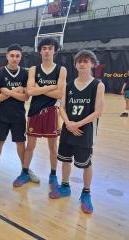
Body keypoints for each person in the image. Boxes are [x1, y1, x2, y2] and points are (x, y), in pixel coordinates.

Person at [49, 50, 105, 214]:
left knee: (86, 163)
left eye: (86, 61)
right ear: (75, 64)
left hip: (85, 131)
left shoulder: (98, 85)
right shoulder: (69, 85)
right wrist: (68, 123)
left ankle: (86, 193)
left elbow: (98, 112)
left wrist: (77, 124)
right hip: (68, 129)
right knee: (65, 160)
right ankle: (65, 186)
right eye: (79, 61)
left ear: (92, 64)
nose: (82, 64)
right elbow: (62, 107)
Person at [21, 37, 66, 188]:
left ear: (55, 50)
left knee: (53, 147)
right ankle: (25, 172)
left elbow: (60, 94)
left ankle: (53, 175)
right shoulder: (34, 69)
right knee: (30, 146)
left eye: (50, 48)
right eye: (44, 48)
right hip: (34, 111)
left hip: (52, 112)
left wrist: (40, 88)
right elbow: (30, 91)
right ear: (40, 51)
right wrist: (50, 87)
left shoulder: (61, 70)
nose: (47, 51)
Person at [0, 44, 29, 185]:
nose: (15, 58)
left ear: (21, 57)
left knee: (20, 143)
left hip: (18, 115)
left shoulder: (24, 73)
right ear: (7, 56)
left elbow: (26, 97)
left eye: (17, 56)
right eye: (12, 55)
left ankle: (25, 170)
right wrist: (16, 91)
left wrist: (7, 91)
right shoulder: (0, 73)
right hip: (2, 115)